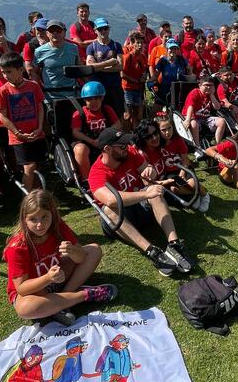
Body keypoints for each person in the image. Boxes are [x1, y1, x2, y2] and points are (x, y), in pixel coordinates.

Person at [89, 127, 195, 276]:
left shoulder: (130, 153)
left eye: (126, 144)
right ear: (107, 149)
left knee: (154, 191)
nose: (127, 148)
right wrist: (145, 194)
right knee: (109, 210)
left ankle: (174, 244)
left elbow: (149, 171)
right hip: (120, 220)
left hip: (140, 207)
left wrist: (150, 171)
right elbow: (111, 200)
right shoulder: (96, 173)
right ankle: (151, 251)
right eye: (122, 146)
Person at [4, 190, 115, 324]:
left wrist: (72, 251)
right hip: (34, 291)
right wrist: (48, 278)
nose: (40, 224)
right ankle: (84, 295)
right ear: (24, 220)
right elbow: (22, 288)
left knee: (94, 250)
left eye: (45, 217)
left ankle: (62, 302)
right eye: (33, 219)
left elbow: (81, 258)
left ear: (52, 214)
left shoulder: (57, 226)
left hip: (58, 276)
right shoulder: (17, 246)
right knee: (25, 309)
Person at [134, 117, 210, 213]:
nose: (167, 132)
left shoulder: (174, 141)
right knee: (174, 189)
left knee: (192, 183)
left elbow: (185, 160)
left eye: (169, 128)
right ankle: (195, 194)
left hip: (181, 169)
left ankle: (204, 195)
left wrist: (182, 173)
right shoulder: (154, 146)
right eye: (163, 130)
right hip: (169, 174)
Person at [0, 52, 45, 192]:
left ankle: (38, 195)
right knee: (29, 167)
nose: (6, 75)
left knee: (38, 166)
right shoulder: (3, 91)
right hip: (18, 138)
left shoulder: (33, 86)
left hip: (36, 134)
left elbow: (40, 107)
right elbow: (2, 116)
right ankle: (27, 199)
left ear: (21, 69)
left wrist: (40, 127)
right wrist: (17, 133)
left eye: (9, 72)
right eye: (3, 72)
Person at [71, 82, 120, 180]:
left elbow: (117, 124)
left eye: (97, 98)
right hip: (87, 141)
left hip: (105, 139)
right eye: (89, 99)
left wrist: (105, 137)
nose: (94, 102)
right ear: (84, 100)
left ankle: (115, 173)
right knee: (80, 150)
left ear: (102, 98)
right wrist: (92, 141)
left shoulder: (107, 109)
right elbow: (75, 132)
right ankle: (87, 179)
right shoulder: (79, 113)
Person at [85, 17, 124, 116]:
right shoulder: (91, 47)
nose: (103, 31)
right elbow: (89, 67)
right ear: (95, 30)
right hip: (98, 89)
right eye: (100, 29)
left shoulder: (116, 45)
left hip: (114, 88)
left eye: (105, 28)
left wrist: (98, 68)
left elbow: (120, 67)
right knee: (101, 116)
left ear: (109, 29)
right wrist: (109, 63)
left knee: (118, 115)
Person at [30, 20, 79, 97]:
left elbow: (79, 68)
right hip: (51, 95)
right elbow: (35, 72)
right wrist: (37, 91)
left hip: (72, 93)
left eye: (58, 30)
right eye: (52, 31)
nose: (55, 33)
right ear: (47, 33)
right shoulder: (39, 52)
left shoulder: (73, 48)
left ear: (64, 32)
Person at [120, 32, 148, 130]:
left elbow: (144, 71)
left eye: (141, 43)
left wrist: (144, 77)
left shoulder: (143, 57)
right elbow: (122, 74)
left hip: (138, 89)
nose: (140, 45)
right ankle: (126, 133)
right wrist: (136, 81)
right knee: (128, 114)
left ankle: (136, 132)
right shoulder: (128, 57)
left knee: (137, 114)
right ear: (132, 43)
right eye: (137, 43)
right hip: (128, 89)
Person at [153, 40, 191, 108]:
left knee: (177, 109)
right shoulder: (163, 61)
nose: (173, 51)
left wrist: (189, 78)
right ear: (167, 49)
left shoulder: (181, 59)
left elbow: (189, 70)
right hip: (165, 88)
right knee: (157, 107)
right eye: (171, 48)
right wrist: (152, 82)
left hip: (179, 89)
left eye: (175, 49)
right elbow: (155, 75)